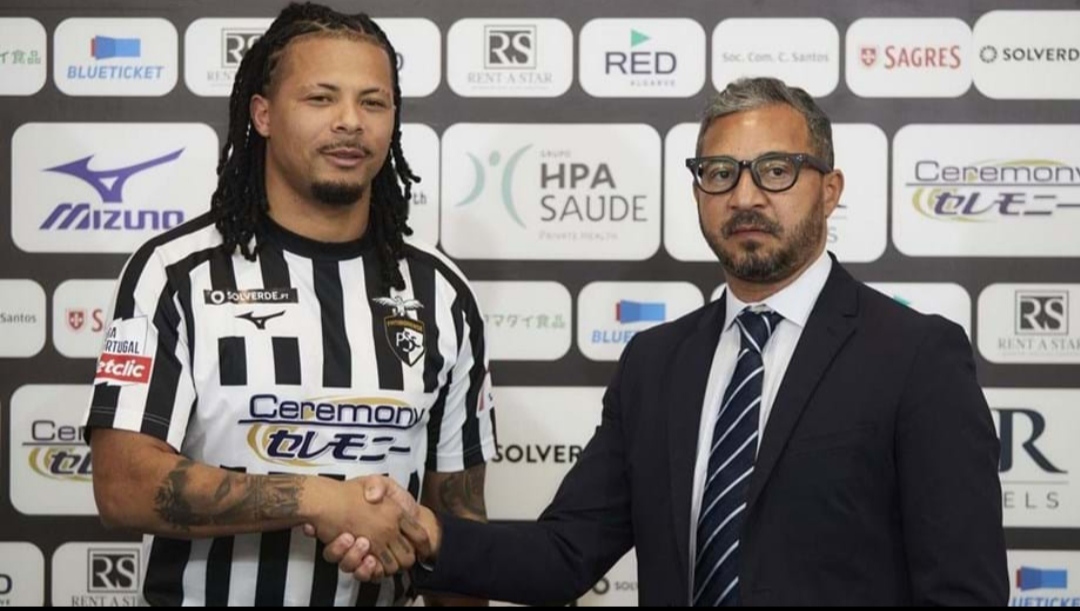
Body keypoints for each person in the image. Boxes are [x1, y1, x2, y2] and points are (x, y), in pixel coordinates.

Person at [323, 76, 1009, 606]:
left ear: (829, 190)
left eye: (776, 170)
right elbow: (565, 553)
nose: (745, 196)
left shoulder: (916, 357)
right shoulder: (656, 364)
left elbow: (963, 593)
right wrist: (428, 534)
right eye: (720, 173)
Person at [85, 3, 494, 606]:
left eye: (373, 102)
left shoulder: (441, 294)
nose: (350, 122)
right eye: (321, 99)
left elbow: (459, 522)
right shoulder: (174, 274)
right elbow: (121, 483)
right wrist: (320, 500)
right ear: (263, 114)